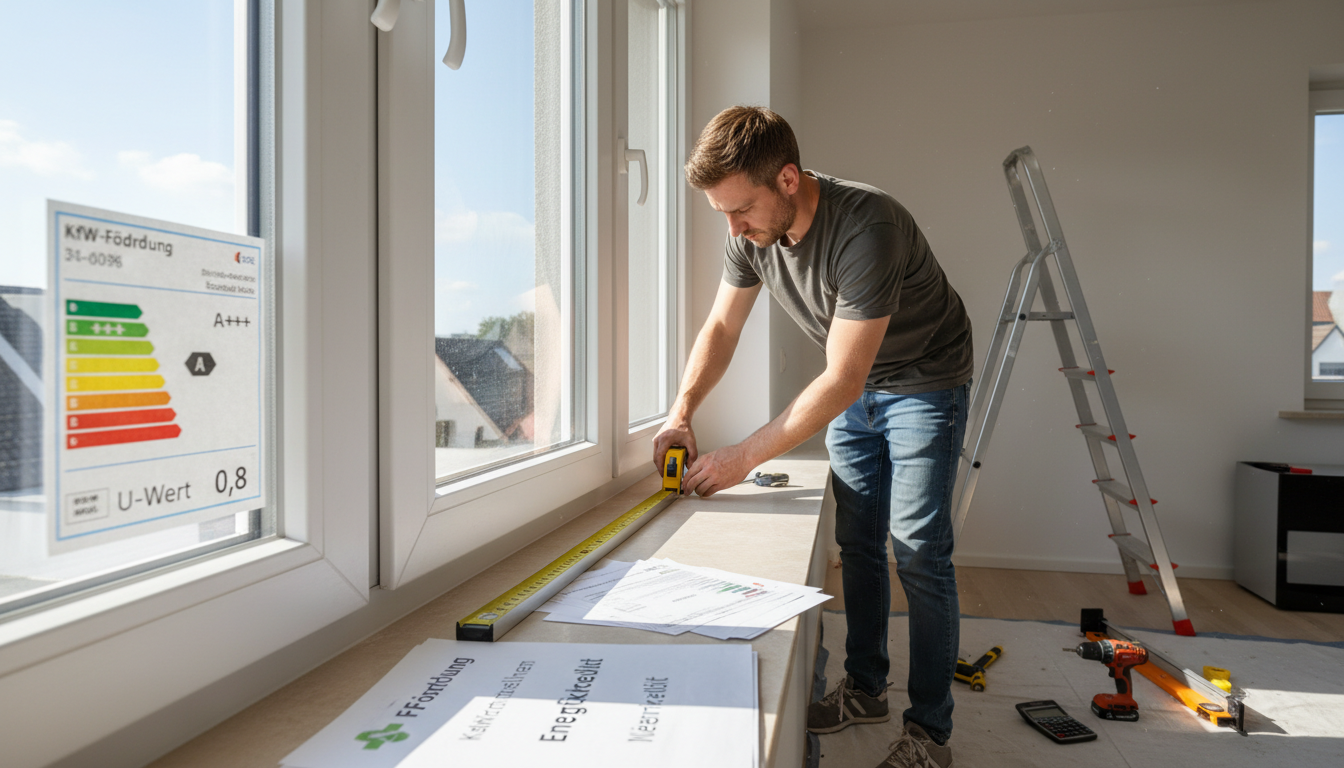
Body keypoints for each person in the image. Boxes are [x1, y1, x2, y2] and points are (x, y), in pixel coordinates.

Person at [652, 106, 973, 768]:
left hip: (924, 380)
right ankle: (865, 688)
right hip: (855, 381)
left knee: (918, 552)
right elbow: (722, 329)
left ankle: (929, 734)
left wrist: (743, 457)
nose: (734, 228)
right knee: (857, 542)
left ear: (788, 179)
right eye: (723, 214)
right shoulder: (750, 233)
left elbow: (843, 379)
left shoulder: (869, 227)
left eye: (741, 210)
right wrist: (681, 411)